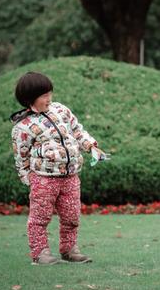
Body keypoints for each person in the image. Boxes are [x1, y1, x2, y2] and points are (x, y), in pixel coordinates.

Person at [10, 71, 104, 265]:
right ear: (30, 99)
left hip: (71, 175)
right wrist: (29, 179)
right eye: (44, 96)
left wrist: (90, 146)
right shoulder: (23, 127)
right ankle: (40, 253)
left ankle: (69, 249)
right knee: (40, 218)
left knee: (72, 215)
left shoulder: (60, 110)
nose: (49, 99)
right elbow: (21, 156)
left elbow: (77, 130)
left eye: (50, 93)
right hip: (43, 179)